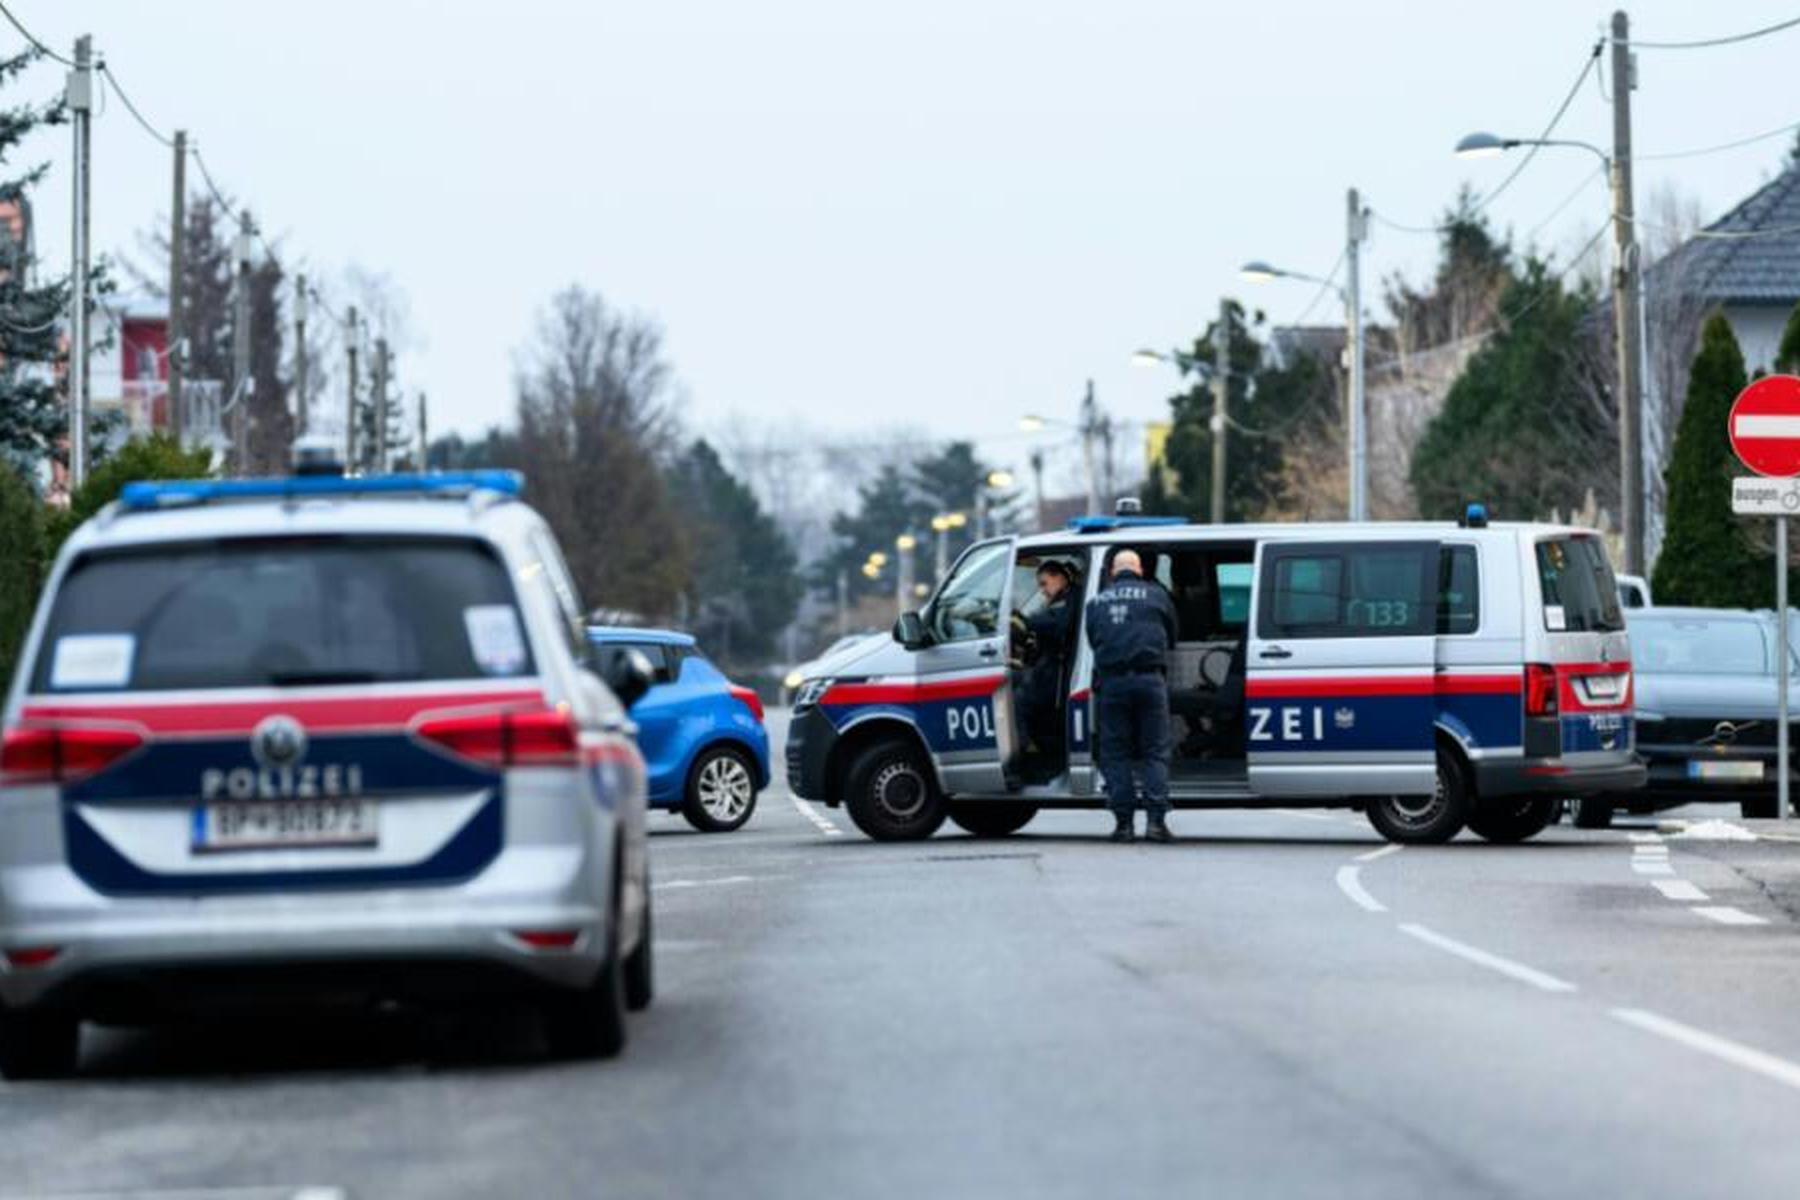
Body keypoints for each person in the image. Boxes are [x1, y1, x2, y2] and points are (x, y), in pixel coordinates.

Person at [1084, 548, 1178, 843]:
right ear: (1139, 570)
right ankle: (1155, 823)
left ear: (1112, 571)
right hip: (1150, 681)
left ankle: (1124, 825)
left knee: (1116, 754)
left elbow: (1092, 640)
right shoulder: (1157, 596)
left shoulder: (1095, 602)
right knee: (1154, 752)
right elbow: (1172, 636)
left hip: (1112, 685)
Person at [1016, 561, 1075, 753]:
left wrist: (1024, 622)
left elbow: (1057, 623)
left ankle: (1028, 751)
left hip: (1058, 671)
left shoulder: (1071, 598)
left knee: (1019, 699)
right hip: (1051, 667)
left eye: (1044, 583)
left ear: (1059, 577)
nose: (1042, 590)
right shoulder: (1059, 599)